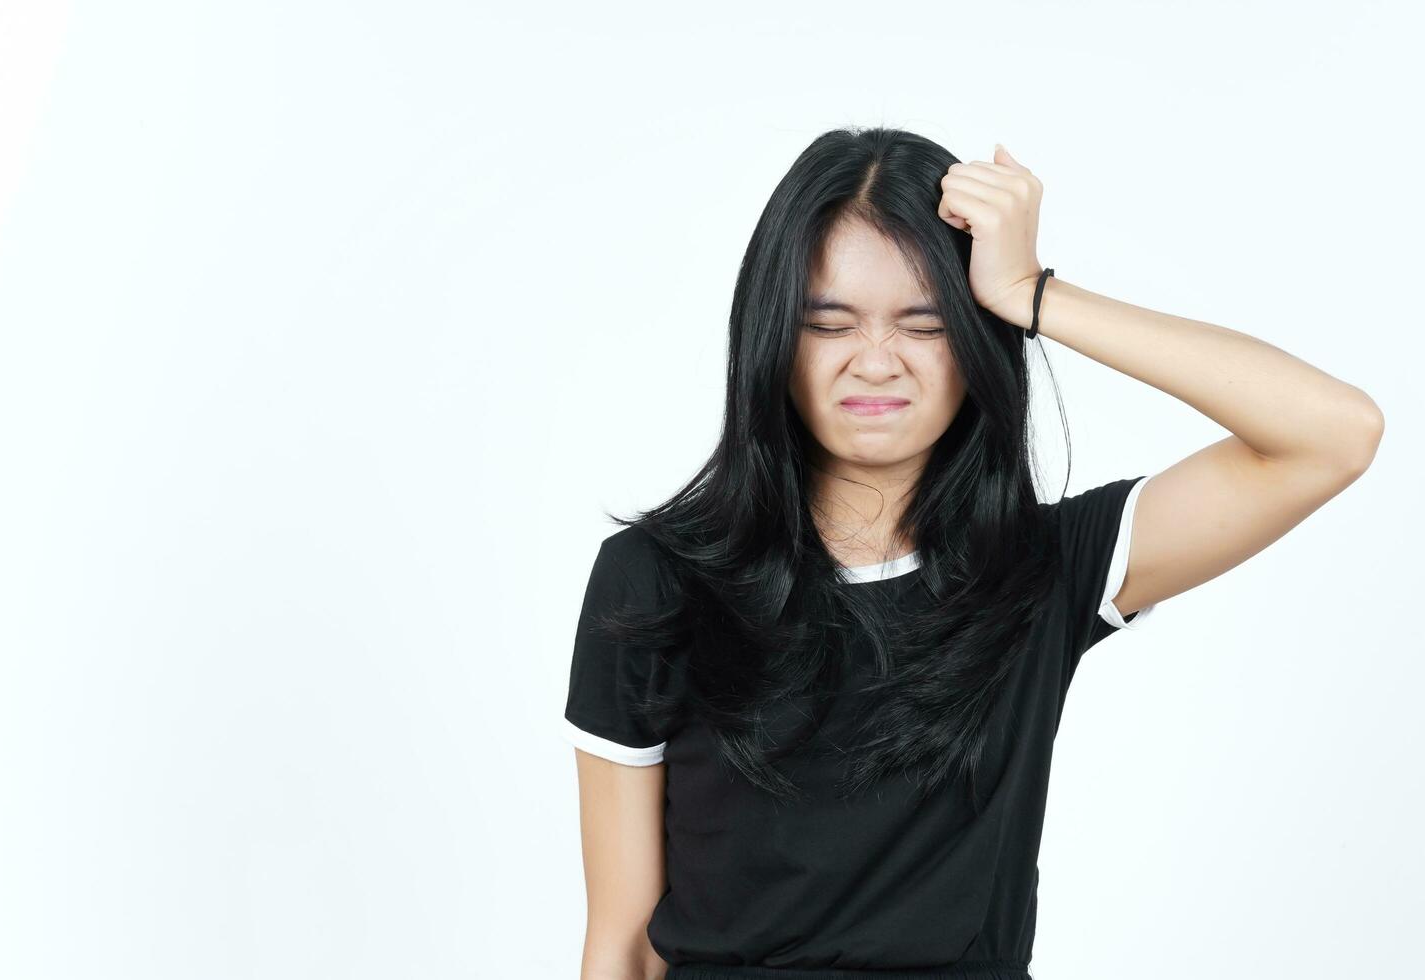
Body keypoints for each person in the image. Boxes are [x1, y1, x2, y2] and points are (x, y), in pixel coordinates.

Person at [560, 128, 1384, 980]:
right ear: (773, 337)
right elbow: (622, 941)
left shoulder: (1045, 568)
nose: (875, 363)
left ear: (975, 339)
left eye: (924, 324)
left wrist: (1033, 293)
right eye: (828, 323)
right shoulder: (656, 581)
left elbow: (1332, 436)